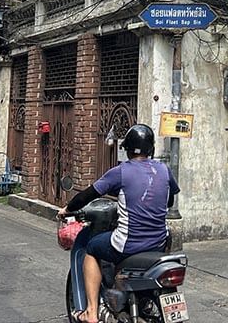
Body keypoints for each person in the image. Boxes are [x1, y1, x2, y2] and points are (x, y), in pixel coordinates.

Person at [57, 124, 179, 323]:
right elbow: (169, 200)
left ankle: (91, 312)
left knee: (92, 248)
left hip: (129, 243)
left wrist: (67, 209)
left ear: (128, 149)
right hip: (159, 243)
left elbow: (88, 194)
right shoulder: (163, 170)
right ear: (151, 149)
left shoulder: (121, 171)